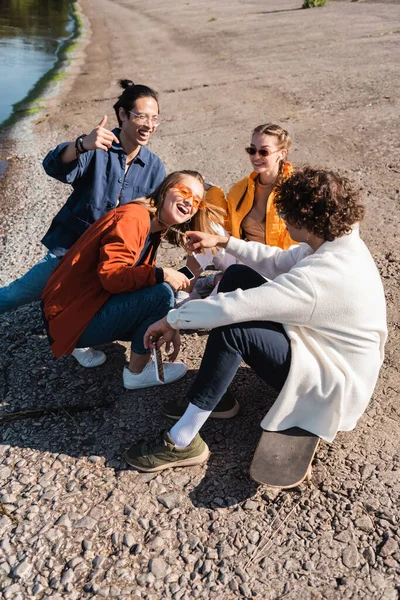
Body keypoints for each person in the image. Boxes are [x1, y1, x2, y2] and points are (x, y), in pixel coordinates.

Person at [123, 166, 387, 472]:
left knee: (236, 329)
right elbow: (277, 261)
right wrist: (221, 242)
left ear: (307, 221)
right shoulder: (337, 240)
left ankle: (182, 440)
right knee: (237, 275)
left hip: (333, 386)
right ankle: (213, 396)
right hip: (326, 349)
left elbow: (233, 308)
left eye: (288, 214)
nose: (284, 220)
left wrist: (172, 319)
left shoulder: (321, 277)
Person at [0, 79, 166, 367]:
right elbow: (52, 166)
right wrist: (81, 145)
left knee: (121, 300)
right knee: (16, 294)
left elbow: (154, 219)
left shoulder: (154, 168)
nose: (148, 125)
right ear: (123, 116)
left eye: (154, 118)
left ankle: (79, 338)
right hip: (70, 252)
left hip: (112, 258)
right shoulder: (96, 147)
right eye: (141, 116)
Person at [42, 171, 224, 389]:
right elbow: (112, 277)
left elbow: (175, 273)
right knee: (162, 294)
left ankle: (80, 342)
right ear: (166, 189)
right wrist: (162, 275)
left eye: (197, 201)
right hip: (69, 318)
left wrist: (170, 320)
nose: (189, 202)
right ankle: (137, 372)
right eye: (184, 191)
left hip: (72, 309)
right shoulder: (134, 219)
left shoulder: (152, 225)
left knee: (163, 294)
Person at [186, 123, 296, 300]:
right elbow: (226, 224)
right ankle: (185, 288)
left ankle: (214, 284)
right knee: (206, 229)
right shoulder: (242, 188)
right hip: (241, 256)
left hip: (276, 268)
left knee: (211, 307)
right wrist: (212, 192)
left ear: (281, 154)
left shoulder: (296, 191)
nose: (256, 157)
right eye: (252, 150)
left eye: (264, 152)